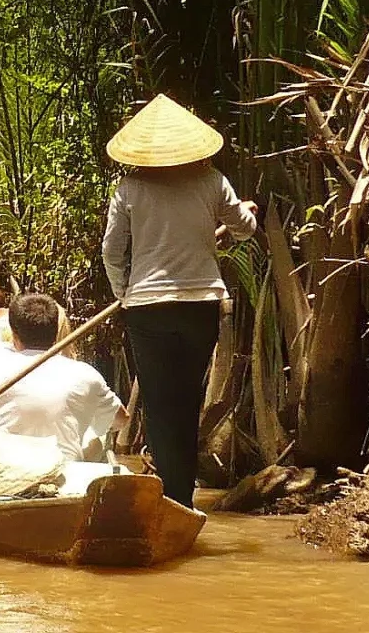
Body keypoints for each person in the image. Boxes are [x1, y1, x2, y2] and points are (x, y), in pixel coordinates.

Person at [100, 94, 257, 508]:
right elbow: (243, 229)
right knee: (186, 399)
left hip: (148, 308)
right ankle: (181, 496)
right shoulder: (212, 182)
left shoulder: (130, 187)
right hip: (200, 304)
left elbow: (112, 253)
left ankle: (172, 497)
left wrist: (124, 293)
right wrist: (246, 211)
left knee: (160, 401)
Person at [0, 293, 122, 498]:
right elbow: (122, 420)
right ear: (56, 332)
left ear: (13, 331)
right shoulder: (86, 373)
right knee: (100, 433)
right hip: (62, 471)